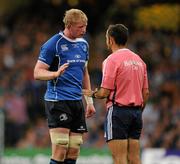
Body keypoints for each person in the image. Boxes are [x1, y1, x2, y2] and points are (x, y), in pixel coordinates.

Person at [34, 9, 96, 164]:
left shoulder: (83, 44)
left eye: (85, 26)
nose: (84, 30)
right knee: (60, 148)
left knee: (74, 150)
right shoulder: (53, 44)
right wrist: (55, 74)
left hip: (77, 102)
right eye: (80, 27)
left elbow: (85, 73)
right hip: (58, 101)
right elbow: (37, 72)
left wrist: (89, 101)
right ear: (69, 25)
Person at [83, 24, 149, 164]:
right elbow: (146, 92)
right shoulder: (139, 60)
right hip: (136, 113)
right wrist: (138, 111)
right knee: (135, 158)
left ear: (110, 40)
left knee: (119, 159)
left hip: (118, 112)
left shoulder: (111, 60)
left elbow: (104, 92)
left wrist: (91, 93)